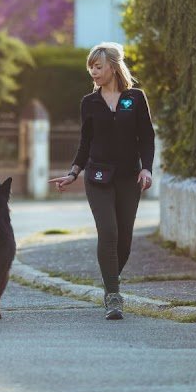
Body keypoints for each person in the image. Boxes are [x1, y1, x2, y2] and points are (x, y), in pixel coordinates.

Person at [49, 42, 154, 320]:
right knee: (108, 232)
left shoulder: (135, 98)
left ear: (113, 67)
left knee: (124, 239)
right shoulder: (90, 102)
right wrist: (73, 173)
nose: (93, 72)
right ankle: (113, 296)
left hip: (129, 177)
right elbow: (85, 142)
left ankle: (110, 279)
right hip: (97, 177)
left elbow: (147, 137)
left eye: (98, 67)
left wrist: (147, 169)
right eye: (91, 68)